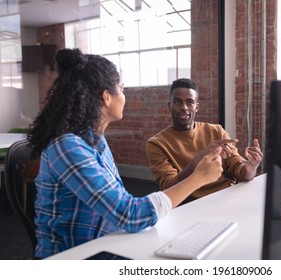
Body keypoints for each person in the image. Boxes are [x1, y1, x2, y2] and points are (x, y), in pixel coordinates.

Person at [28, 49, 223, 259]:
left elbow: (121, 203)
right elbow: (129, 215)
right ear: (106, 97)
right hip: (74, 257)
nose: (124, 96)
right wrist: (199, 178)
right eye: (121, 89)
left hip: (106, 242)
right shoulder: (68, 147)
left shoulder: (95, 138)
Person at [146, 78, 263, 203]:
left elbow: (240, 171)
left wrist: (251, 168)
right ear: (170, 106)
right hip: (191, 206)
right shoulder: (156, 143)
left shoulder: (217, 131)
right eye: (177, 101)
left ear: (196, 107)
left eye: (189, 102)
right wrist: (199, 159)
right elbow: (169, 187)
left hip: (226, 198)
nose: (184, 107)